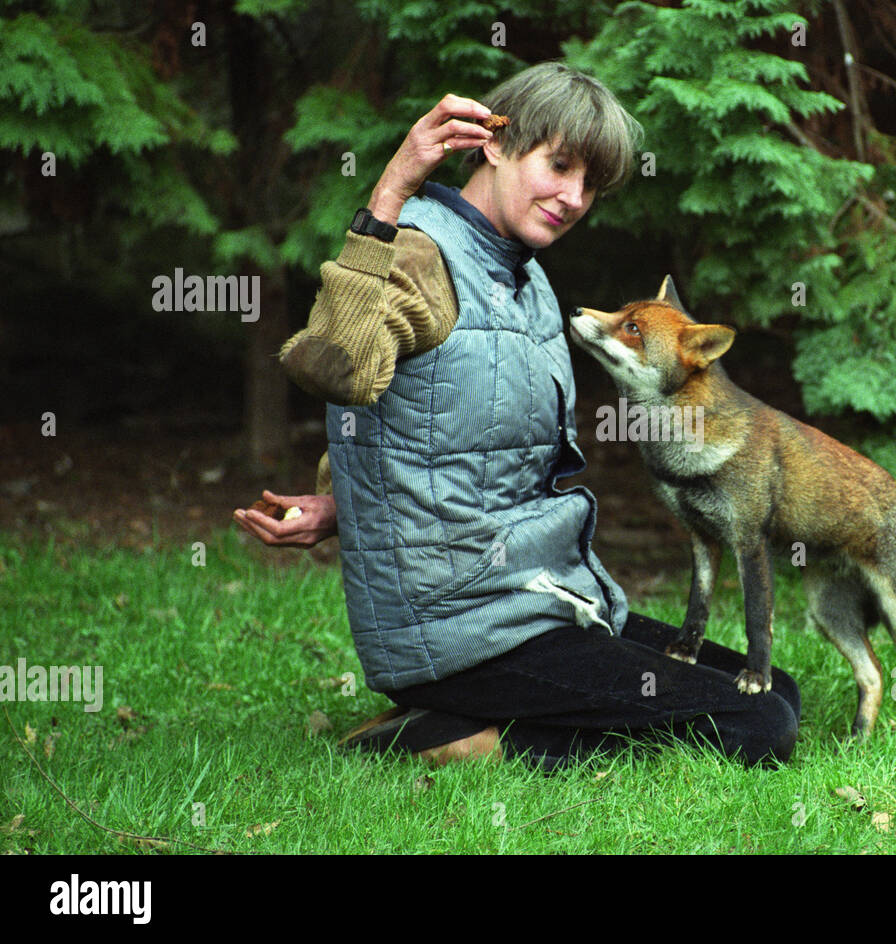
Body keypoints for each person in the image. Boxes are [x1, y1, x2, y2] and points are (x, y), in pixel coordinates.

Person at [233, 62, 799, 771]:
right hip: (460, 625)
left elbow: (431, 420)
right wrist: (389, 191)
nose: (573, 197)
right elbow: (339, 370)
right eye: (558, 165)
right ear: (493, 145)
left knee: (779, 689)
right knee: (759, 725)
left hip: (533, 598)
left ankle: (464, 716)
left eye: (590, 183)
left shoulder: (524, 276)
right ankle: (473, 737)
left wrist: (339, 499)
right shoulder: (417, 250)